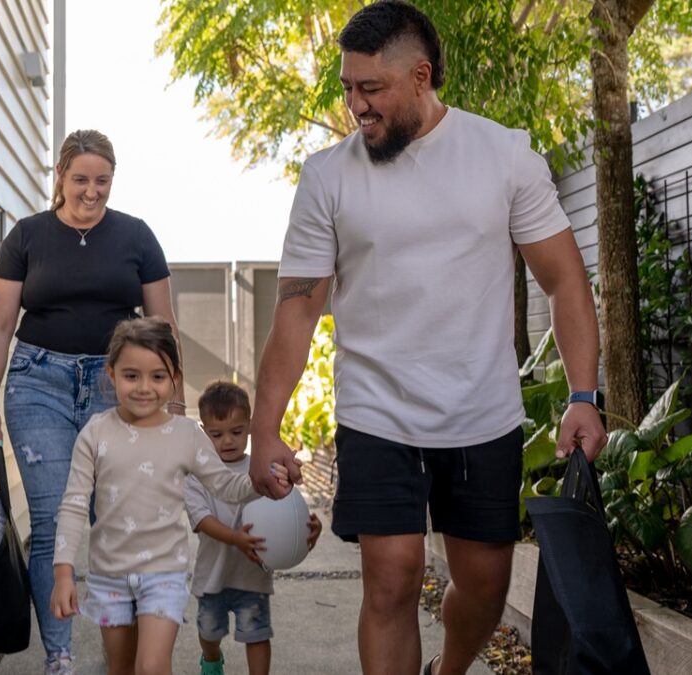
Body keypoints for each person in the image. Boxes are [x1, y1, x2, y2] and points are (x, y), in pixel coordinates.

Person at [247, 3, 607, 675]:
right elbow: (296, 310)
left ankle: (449, 668)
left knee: (485, 586)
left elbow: (564, 281)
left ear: (420, 75)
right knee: (391, 576)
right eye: (348, 88)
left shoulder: (504, 155)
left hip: (482, 409)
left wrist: (582, 394)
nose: (355, 104)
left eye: (370, 89)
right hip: (376, 409)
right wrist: (265, 427)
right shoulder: (327, 176)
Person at [0, 130, 187, 675]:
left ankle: (134, 649)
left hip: (114, 391)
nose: (91, 192)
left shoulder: (137, 237)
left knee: (116, 519)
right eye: (81, 180)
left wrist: (177, 406)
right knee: (51, 522)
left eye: (102, 181)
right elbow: (0, 324)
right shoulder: (27, 237)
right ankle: (61, 658)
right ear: (61, 178)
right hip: (37, 383)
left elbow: (162, 327)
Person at [49, 318, 289, 675]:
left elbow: (226, 485)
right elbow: (73, 504)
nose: (144, 387)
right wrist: (63, 573)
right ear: (111, 374)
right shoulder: (95, 433)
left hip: (164, 573)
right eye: (131, 376)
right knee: (121, 668)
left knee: (152, 666)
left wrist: (264, 480)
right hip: (108, 575)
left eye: (157, 376)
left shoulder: (187, 435)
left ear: (174, 378)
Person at [185, 380, 323, 675]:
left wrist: (309, 527)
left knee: (257, 635)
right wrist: (235, 538)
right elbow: (201, 519)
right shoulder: (198, 475)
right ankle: (211, 660)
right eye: (216, 434)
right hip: (213, 575)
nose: (227, 441)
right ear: (203, 431)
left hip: (253, 577)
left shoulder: (263, 470)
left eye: (236, 432)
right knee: (209, 632)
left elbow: (289, 510)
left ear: (250, 427)